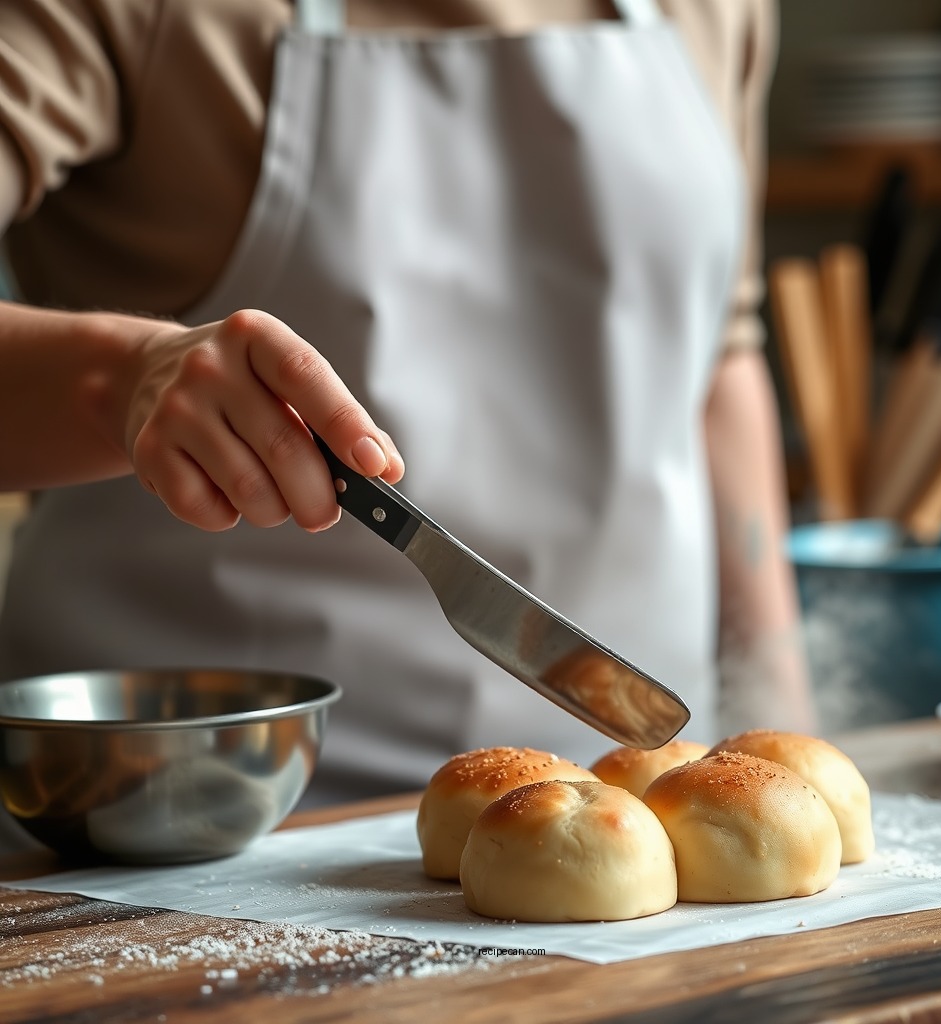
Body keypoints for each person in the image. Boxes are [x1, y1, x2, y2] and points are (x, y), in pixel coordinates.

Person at [0, 0, 816, 819]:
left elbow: (714, 355)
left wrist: (779, 716)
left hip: (654, 808)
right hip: (198, 821)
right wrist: (123, 377)